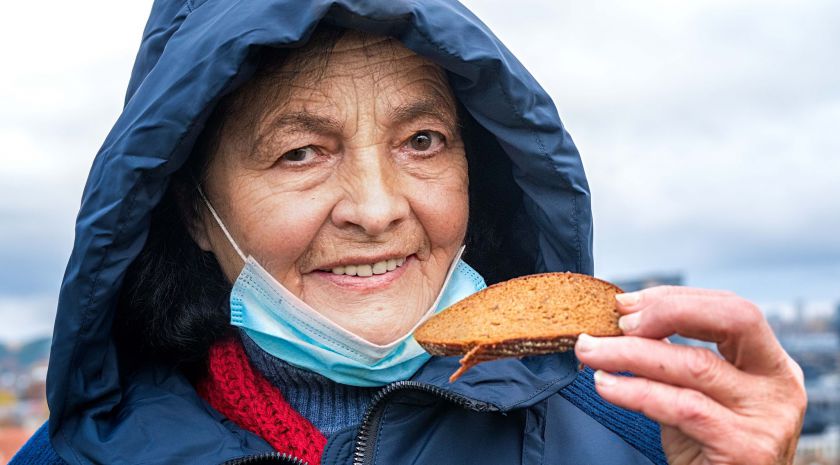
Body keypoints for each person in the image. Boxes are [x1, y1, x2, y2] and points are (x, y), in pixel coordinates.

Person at [12, 1, 806, 464]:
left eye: (422, 140)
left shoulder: (643, 430)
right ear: (192, 210)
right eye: (301, 151)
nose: (378, 207)